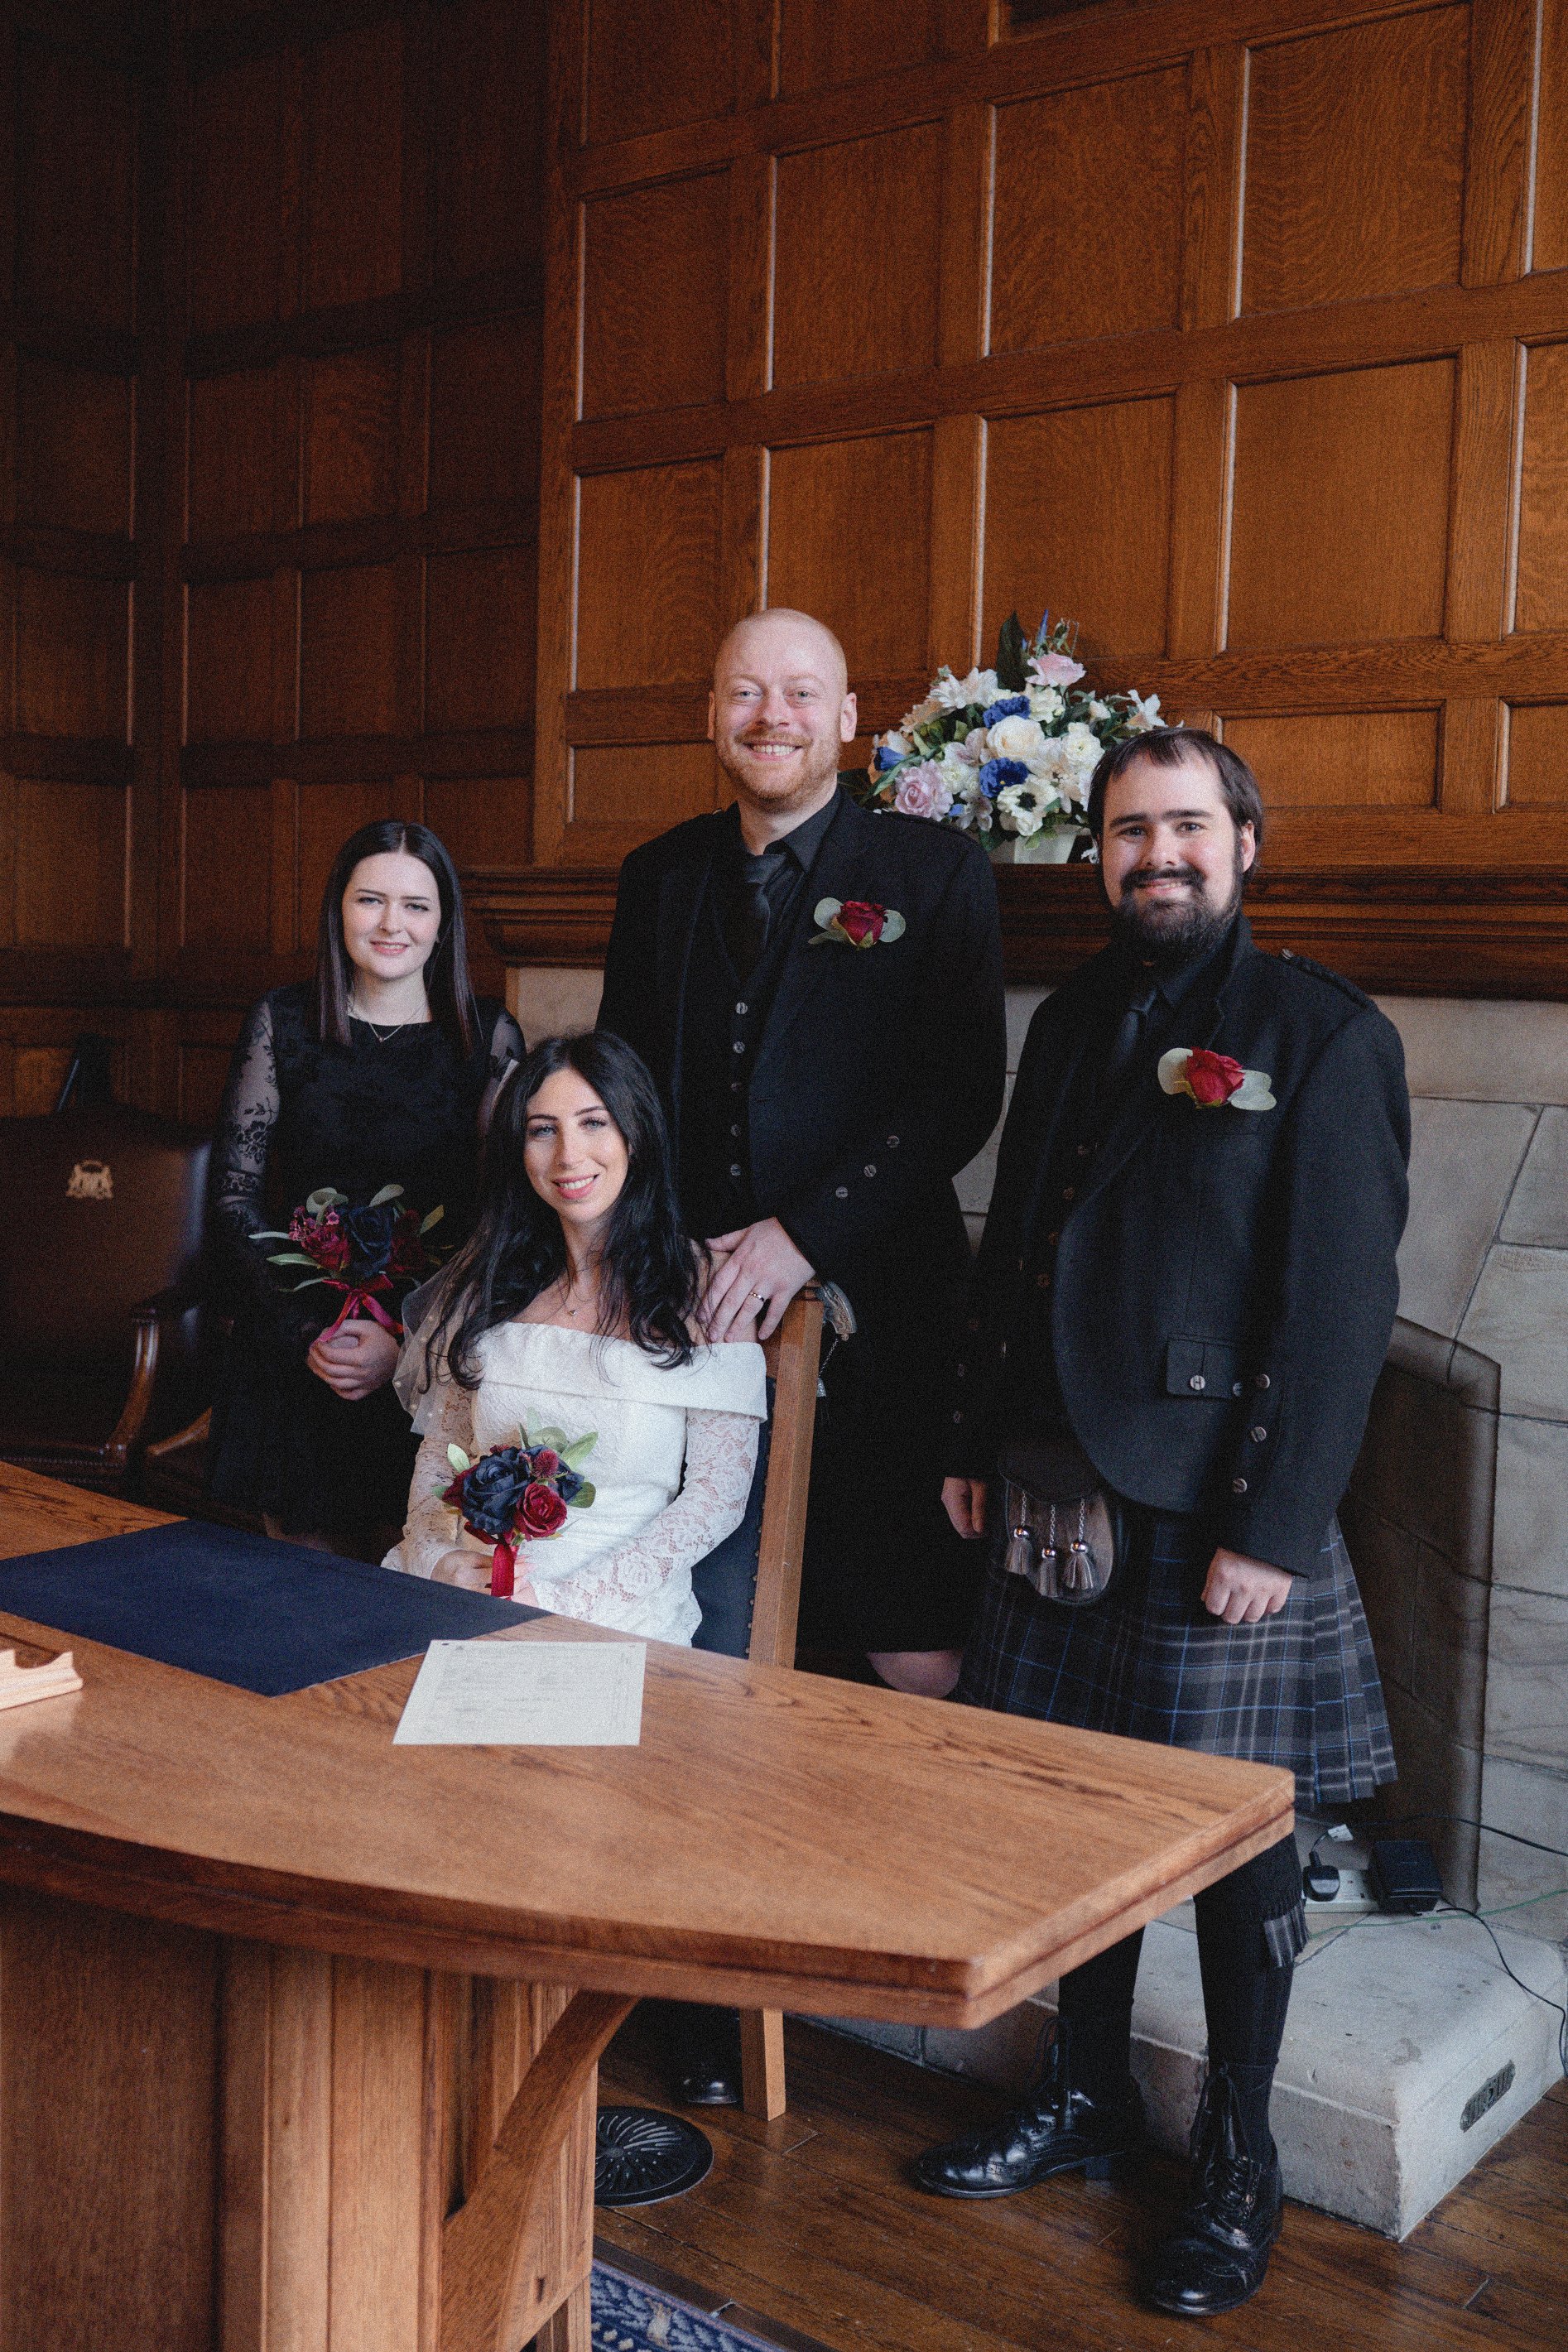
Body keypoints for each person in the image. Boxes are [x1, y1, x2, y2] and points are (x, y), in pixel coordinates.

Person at [913, 729, 1409, 2320]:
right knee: (1072, 1819)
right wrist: (974, 1437)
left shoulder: (1318, 1034)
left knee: (1233, 1852)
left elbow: (1336, 1311)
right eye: (1128, 833)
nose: (1157, 858)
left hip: (1209, 1513)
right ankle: (1084, 2092)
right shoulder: (1065, 1018)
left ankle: (1238, 2156)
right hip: (1049, 1485)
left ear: (1245, 841)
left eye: (1185, 828)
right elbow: (1015, 1250)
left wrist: (1271, 1523)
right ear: (1098, 853)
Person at [599, 606, 1006, 1691]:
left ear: (850, 719)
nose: (770, 715)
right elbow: (620, 1090)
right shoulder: (657, 877)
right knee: (695, 1599)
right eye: (744, 692)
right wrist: (668, 1245)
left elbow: (959, 1094)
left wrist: (801, 1238)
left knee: (905, 1615)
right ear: (712, 717)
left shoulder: (936, 873)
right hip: (688, 1313)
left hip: (886, 1316)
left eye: (799, 693)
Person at [384, 1031, 766, 1642]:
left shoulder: (703, 1290)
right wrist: (438, 1558)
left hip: (616, 1612)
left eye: (594, 1123)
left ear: (634, 1135)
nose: (568, 1154)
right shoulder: (491, 1285)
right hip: (473, 1592)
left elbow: (715, 1502)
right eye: (543, 1129)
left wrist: (563, 1600)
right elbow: (439, 1456)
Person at [207, 819, 522, 1556]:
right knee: (299, 1596)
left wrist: (405, 1342)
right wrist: (312, 1333)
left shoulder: (489, 1036)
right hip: (298, 1347)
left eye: (416, 905)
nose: (391, 924)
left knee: (411, 1580)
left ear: (443, 925)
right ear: (338, 911)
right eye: (370, 900)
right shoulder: (281, 1022)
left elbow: (501, 1221)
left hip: (426, 1357)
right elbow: (232, 1200)